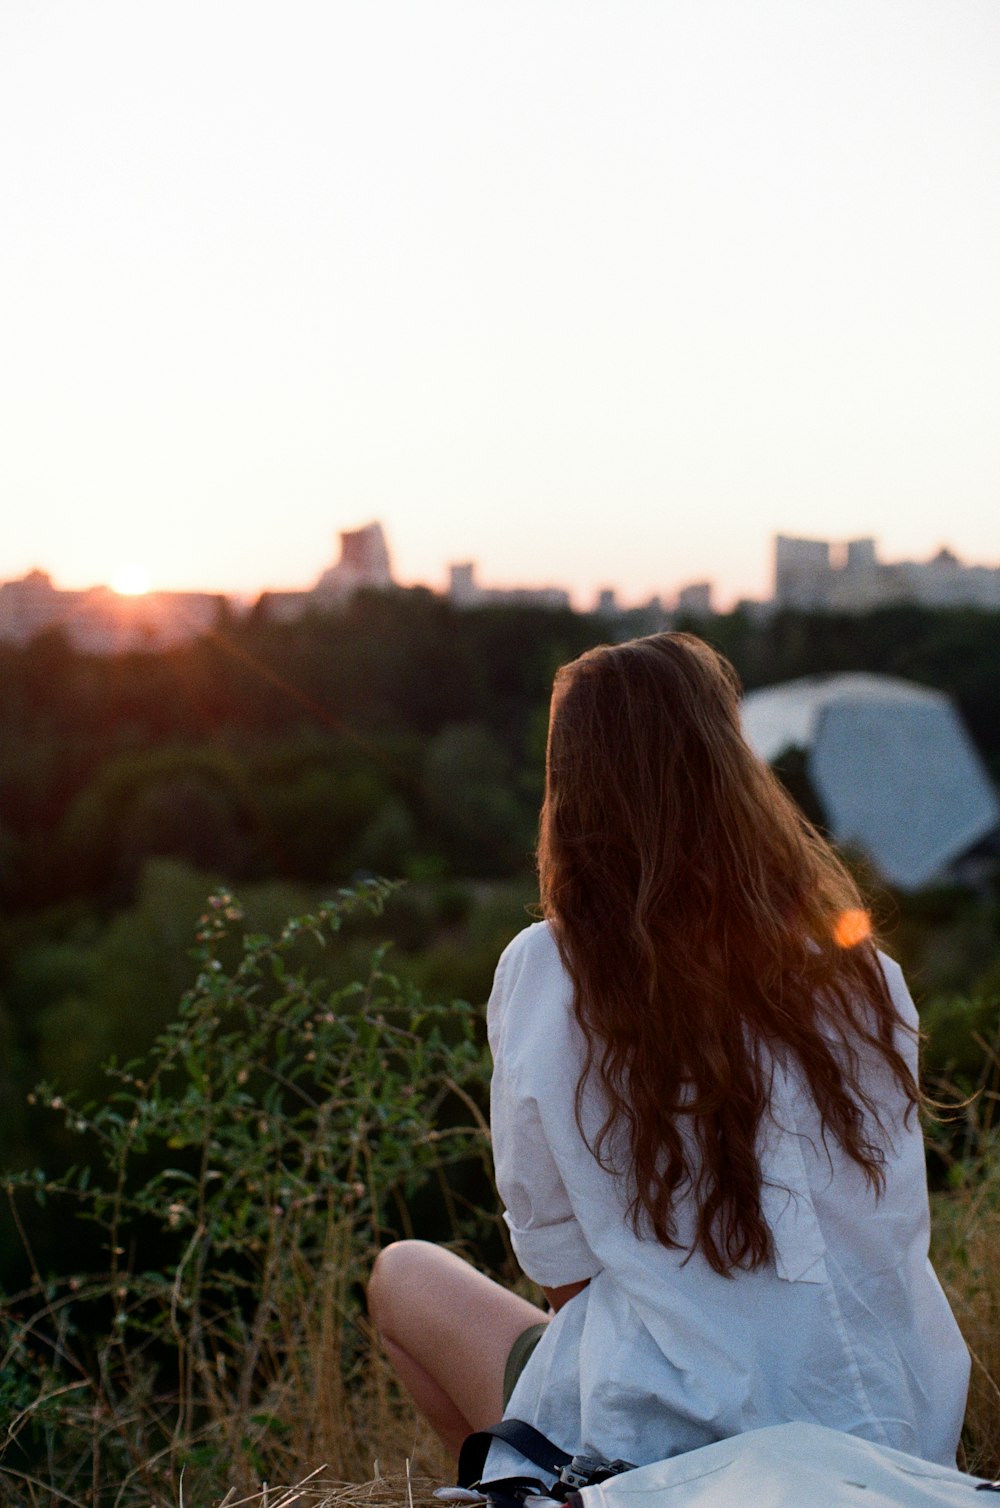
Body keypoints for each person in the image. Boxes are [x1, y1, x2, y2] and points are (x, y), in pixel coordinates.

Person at [367, 632, 969, 1475]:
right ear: (733, 772)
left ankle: (525, 1492)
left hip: (669, 1454)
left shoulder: (550, 971)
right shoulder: (861, 972)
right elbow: (884, 1233)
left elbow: (563, 1279)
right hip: (895, 1433)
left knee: (404, 1274)